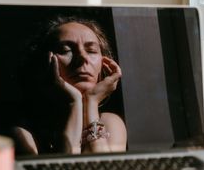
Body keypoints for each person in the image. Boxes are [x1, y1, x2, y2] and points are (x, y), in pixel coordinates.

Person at [13, 16, 127, 155]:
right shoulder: (24, 133)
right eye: (66, 50)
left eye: (91, 51)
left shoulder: (110, 123)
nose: (83, 58)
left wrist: (91, 102)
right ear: (44, 63)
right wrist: (74, 103)